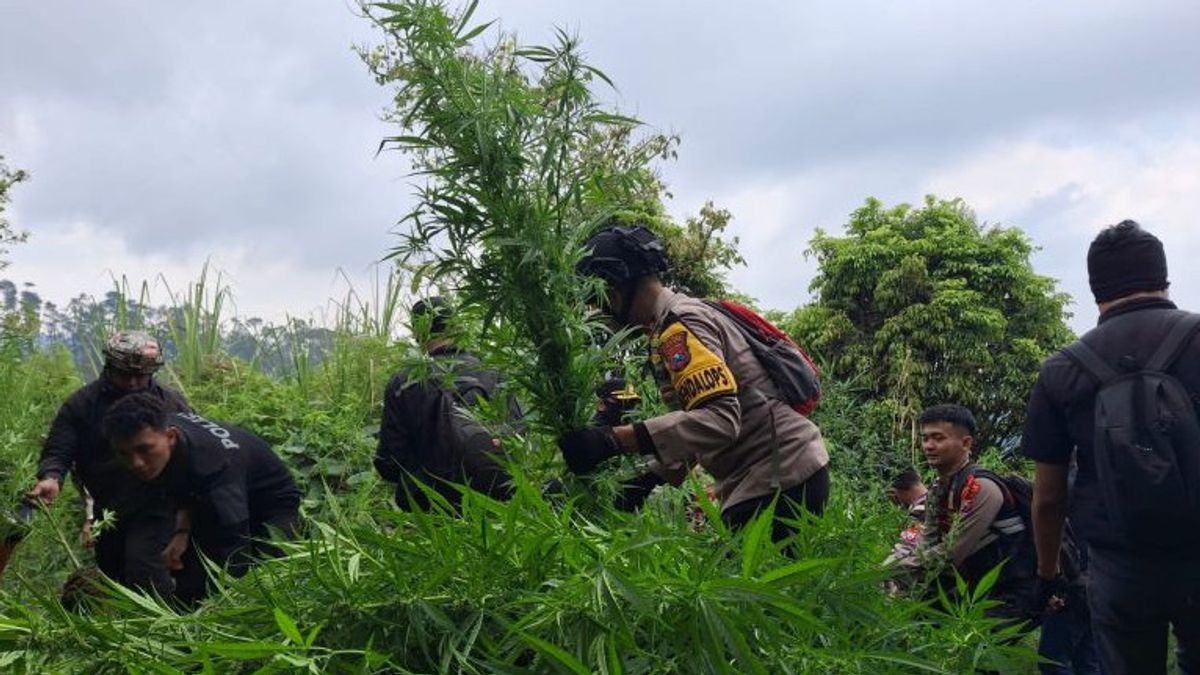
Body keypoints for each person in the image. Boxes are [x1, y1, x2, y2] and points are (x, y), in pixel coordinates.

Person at [559, 224, 831, 541]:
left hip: (777, 478)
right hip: (780, 473)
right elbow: (700, 424)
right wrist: (652, 477)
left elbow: (720, 419)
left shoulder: (679, 327)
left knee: (738, 587)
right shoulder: (676, 322)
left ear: (617, 291)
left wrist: (612, 440)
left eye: (603, 300)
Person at [1023, 220, 1200, 673]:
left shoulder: (1062, 370)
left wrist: (1048, 573)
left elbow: (1048, 498)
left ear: (1094, 288)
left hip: (1121, 563)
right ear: (1163, 279)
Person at [26, 330, 190, 598]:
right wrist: (51, 477)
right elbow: (58, 448)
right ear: (109, 367)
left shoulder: (170, 402)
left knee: (145, 567)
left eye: (142, 376)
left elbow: (193, 445)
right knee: (113, 574)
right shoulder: (82, 405)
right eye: (126, 375)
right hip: (109, 507)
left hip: (159, 502)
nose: (134, 383)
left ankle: (163, 629)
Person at [101, 392, 301, 605]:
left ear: (171, 437)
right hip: (208, 498)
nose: (136, 463)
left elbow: (234, 545)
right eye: (124, 454)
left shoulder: (213, 464)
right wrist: (182, 531)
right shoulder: (161, 436)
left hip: (270, 505)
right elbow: (180, 485)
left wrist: (228, 604)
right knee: (188, 584)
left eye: (144, 450)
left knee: (269, 577)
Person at [373, 297, 521, 511]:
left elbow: (389, 461)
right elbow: (519, 436)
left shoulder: (405, 382)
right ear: (457, 327)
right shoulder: (494, 373)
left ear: (418, 334)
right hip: (498, 499)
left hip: (432, 506)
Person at [915, 404, 1037, 623]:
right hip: (975, 591)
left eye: (938, 438)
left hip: (1011, 594)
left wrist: (898, 570)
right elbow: (929, 540)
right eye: (925, 439)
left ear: (966, 443)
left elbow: (952, 552)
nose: (929, 446)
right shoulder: (939, 487)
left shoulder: (982, 487)